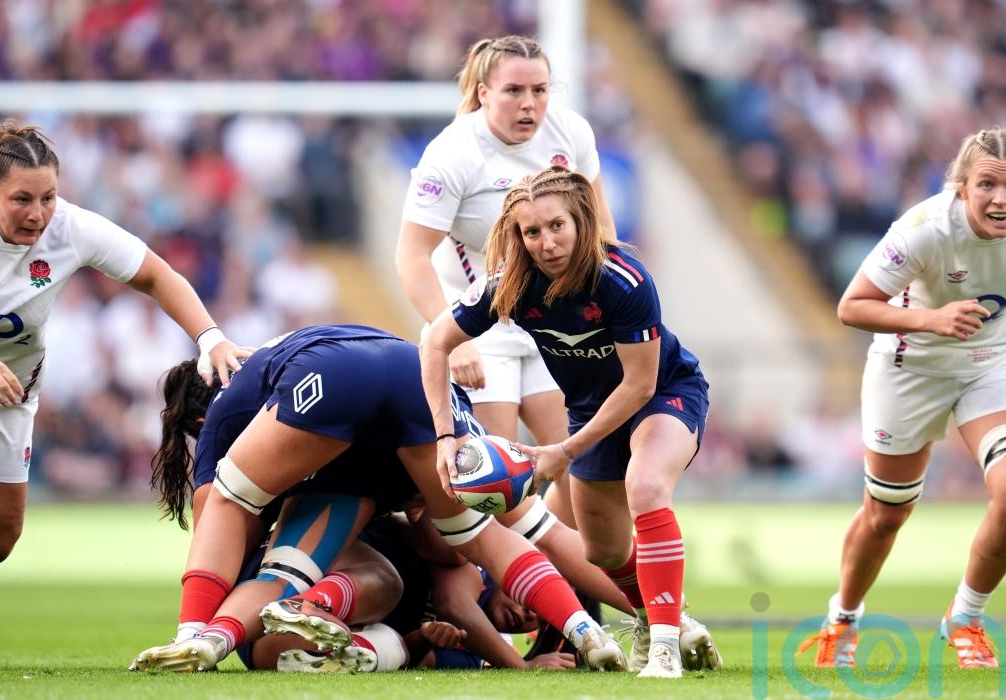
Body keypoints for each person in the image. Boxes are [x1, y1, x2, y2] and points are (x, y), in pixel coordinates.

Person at [0, 120, 250, 657]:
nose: (37, 213)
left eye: (47, 197)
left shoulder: (71, 227)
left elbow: (157, 275)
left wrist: (211, 338)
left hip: (6, 394)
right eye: (21, 199)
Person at [130, 324, 627, 672]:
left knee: (264, 549)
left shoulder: (233, 417)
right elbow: (526, 538)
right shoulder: (378, 478)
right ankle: (594, 630)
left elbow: (218, 528)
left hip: (340, 378)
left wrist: (199, 618)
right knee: (487, 535)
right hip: (408, 375)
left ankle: (200, 639)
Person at [420, 166, 722, 679]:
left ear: (580, 220)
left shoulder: (624, 279)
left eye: (556, 226)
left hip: (662, 393)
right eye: (531, 232)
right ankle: (659, 619)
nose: (546, 243)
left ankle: (665, 648)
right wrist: (445, 437)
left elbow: (639, 386)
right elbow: (434, 343)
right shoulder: (512, 285)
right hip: (590, 412)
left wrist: (565, 450)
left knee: (646, 486)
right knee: (603, 552)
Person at [799, 128, 1006, 669]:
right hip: (912, 365)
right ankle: (843, 619)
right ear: (962, 186)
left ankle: (966, 617)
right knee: (886, 514)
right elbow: (852, 306)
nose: (1001, 198)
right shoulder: (923, 230)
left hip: (997, 358)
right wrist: (933, 319)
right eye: (987, 185)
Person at [395, 35, 617, 528]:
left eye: (540, 90)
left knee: (581, 470)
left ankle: (562, 571)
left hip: (555, 324)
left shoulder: (570, 132)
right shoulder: (452, 153)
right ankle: (507, 577)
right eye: (514, 91)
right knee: (499, 483)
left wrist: (606, 314)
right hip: (480, 328)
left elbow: (601, 231)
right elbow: (411, 256)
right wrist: (450, 337)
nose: (530, 104)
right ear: (483, 93)